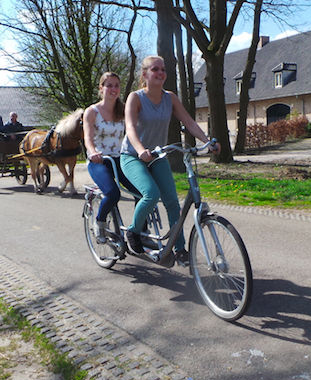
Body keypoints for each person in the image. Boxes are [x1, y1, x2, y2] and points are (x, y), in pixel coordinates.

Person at [121, 55, 219, 265]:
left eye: (163, 69)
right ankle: (133, 231)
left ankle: (180, 249)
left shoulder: (170, 98)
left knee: (173, 202)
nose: (160, 73)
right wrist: (140, 150)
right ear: (145, 74)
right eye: (155, 69)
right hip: (132, 156)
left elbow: (189, 122)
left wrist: (207, 141)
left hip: (157, 156)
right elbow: (129, 128)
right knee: (151, 194)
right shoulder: (135, 98)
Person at [84, 72, 139, 243]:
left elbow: (134, 131)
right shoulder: (92, 112)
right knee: (113, 193)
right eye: (109, 85)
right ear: (101, 88)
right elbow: (88, 137)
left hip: (120, 159)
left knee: (141, 191)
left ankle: (138, 230)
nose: (113, 89)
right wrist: (93, 152)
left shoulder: (123, 111)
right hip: (99, 161)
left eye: (116, 85)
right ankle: (100, 222)